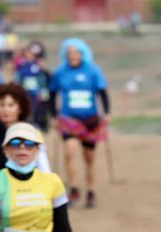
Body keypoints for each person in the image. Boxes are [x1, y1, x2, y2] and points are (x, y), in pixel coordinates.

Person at [0, 83, 52, 232]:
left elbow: (45, 171)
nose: (5, 109)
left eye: (10, 105)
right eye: (1, 105)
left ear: (20, 107)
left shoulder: (34, 133)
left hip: (30, 199)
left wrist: (51, 204)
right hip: (1, 199)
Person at [49, 38, 110, 208]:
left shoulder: (93, 70)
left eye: (76, 53)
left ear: (82, 54)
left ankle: (91, 190)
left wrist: (107, 113)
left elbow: (103, 92)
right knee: (69, 152)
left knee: (89, 157)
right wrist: (53, 115)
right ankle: (74, 188)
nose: (72, 56)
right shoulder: (60, 72)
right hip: (69, 119)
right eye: (69, 53)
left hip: (90, 119)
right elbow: (52, 93)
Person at [15, 42, 51, 132]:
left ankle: (40, 125)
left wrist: (43, 91)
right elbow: (19, 78)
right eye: (27, 52)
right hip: (27, 93)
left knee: (38, 110)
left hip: (37, 93)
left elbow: (43, 79)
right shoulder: (22, 65)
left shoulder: (39, 65)